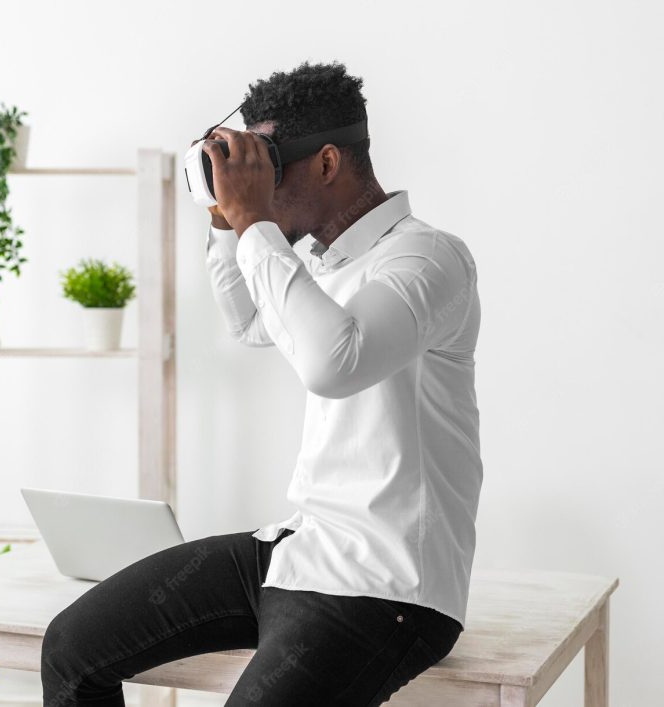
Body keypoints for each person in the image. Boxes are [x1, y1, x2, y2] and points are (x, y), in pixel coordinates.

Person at [41, 60, 482, 707]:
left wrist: (253, 223)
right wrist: (227, 221)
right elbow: (249, 321)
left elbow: (335, 362)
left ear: (327, 162)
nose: (256, 189)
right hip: (299, 548)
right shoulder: (322, 266)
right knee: (71, 649)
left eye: (265, 167)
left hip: (388, 588)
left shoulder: (427, 257)